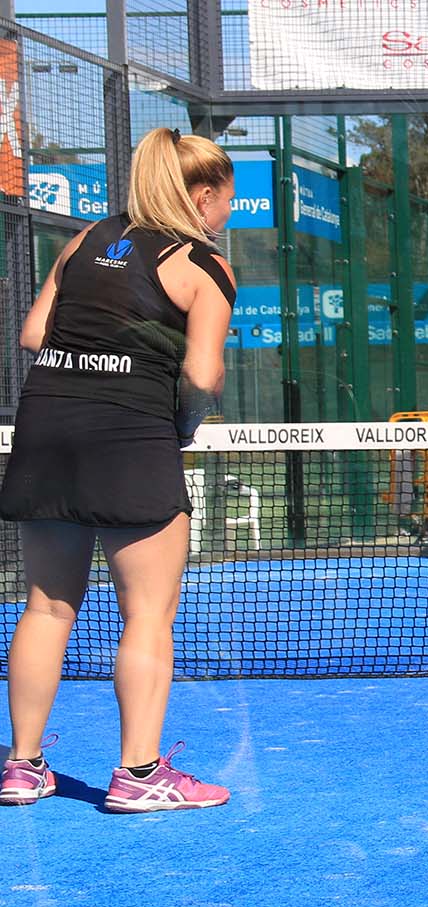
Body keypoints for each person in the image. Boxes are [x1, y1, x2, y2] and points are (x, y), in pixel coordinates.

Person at [0, 128, 237, 810]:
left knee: (46, 605)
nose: (225, 216)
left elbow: (33, 335)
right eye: (225, 202)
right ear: (201, 195)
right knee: (147, 615)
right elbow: (200, 373)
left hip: (46, 428)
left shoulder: (83, 241)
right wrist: (186, 418)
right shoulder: (204, 265)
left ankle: (23, 766)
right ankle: (138, 775)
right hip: (130, 437)